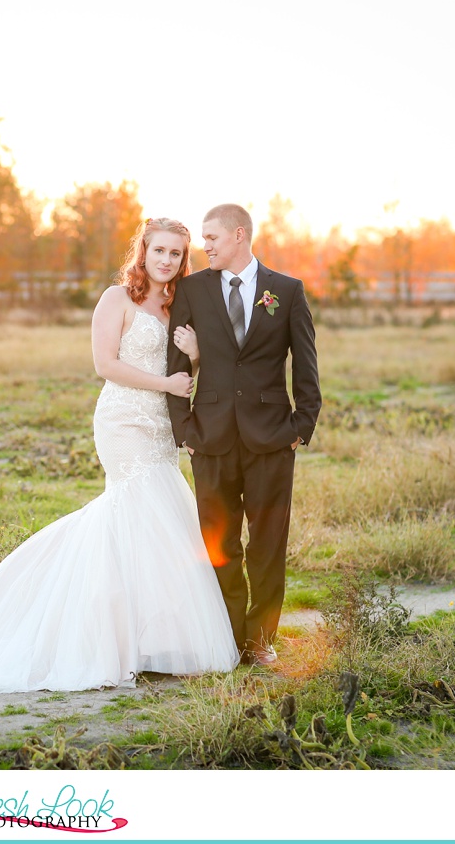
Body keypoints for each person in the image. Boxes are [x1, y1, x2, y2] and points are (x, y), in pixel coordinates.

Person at [0, 218, 239, 692]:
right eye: (160, 251)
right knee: (141, 506)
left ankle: (147, 638)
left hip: (162, 425)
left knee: (155, 516)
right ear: (142, 252)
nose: (167, 261)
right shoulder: (117, 299)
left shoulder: (178, 305)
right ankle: (94, 631)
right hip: (123, 421)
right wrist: (166, 382)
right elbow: (104, 363)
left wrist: (193, 356)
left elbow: (188, 372)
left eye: (176, 254)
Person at [166, 204, 321, 667]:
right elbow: (175, 366)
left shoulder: (286, 291)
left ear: (239, 235)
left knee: (269, 543)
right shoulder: (191, 290)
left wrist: (301, 427)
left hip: (272, 439)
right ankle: (230, 641)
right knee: (220, 544)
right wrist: (183, 429)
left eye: (211, 237)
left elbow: (306, 366)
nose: (204, 246)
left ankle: (261, 639)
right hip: (209, 439)